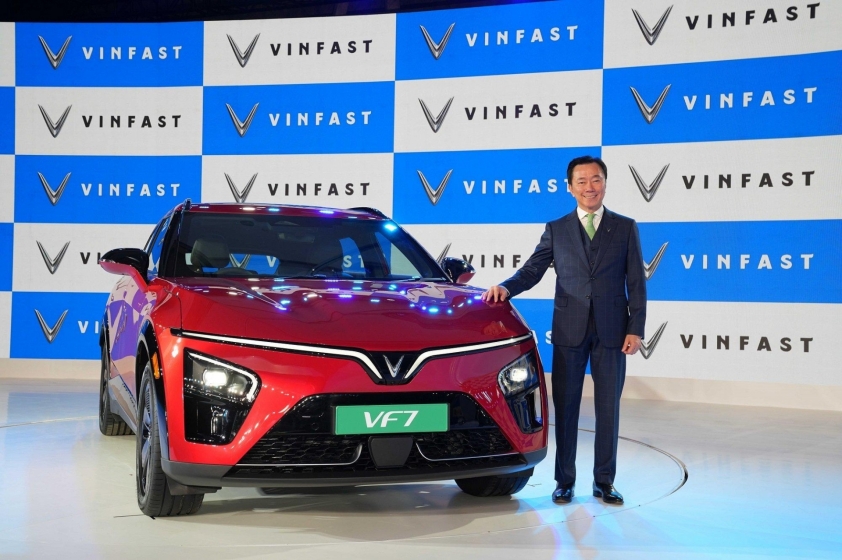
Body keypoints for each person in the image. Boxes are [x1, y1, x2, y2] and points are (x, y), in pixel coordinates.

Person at [482, 155, 646, 505]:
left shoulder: (625, 227)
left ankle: (604, 481)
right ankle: (565, 481)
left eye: (596, 179)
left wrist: (636, 329)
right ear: (570, 187)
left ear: (605, 183)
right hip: (569, 330)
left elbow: (636, 282)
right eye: (582, 181)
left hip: (613, 332)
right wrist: (507, 287)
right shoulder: (557, 228)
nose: (590, 187)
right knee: (567, 408)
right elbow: (533, 270)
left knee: (608, 409)